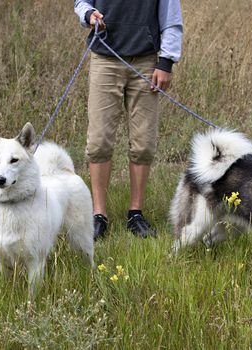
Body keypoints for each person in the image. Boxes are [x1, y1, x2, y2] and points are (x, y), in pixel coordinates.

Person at [74, 0, 183, 239]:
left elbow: (172, 19)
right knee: (99, 142)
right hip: (104, 59)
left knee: (143, 143)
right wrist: (89, 14)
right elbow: (81, 3)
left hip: (146, 63)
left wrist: (166, 62)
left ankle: (135, 214)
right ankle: (99, 215)